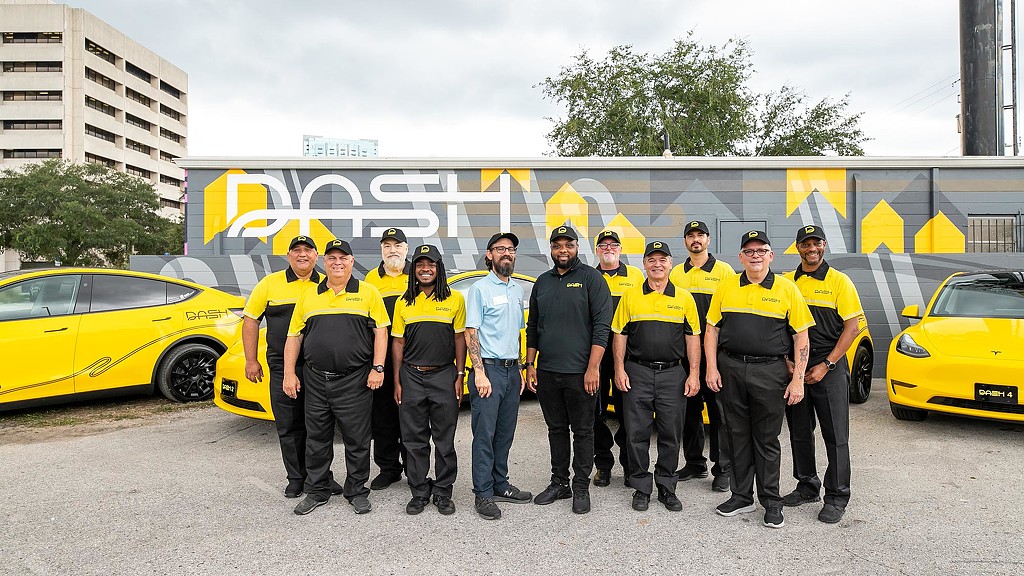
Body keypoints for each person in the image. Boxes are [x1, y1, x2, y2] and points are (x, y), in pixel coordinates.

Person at [705, 230, 814, 529]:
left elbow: (801, 336)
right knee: (736, 435)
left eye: (761, 250)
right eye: (749, 251)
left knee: (766, 439)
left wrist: (798, 380)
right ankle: (741, 496)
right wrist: (711, 368)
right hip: (731, 369)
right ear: (740, 257)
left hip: (770, 372)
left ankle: (771, 501)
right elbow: (712, 329)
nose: (755, 255)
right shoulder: (727, 287)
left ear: (770, 255)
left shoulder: (786, 289)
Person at [283, 239, 390, 516]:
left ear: (352, 262)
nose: (337, 262)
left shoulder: (368, 292)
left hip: (354, 380)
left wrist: (377, 368)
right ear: (324, 262)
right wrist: (289, 373)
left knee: (357, 439)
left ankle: (356, 490)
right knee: (316, 439)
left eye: (343, 257)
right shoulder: (309, 295)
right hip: (316, 380)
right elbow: (294, 335)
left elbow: (381, 331)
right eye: (332, 258)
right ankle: (317, 490)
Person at [242, 236, 345, 499]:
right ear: (288, 256)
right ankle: (296, 478)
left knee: (319, 427)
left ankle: (321, 477)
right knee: (289, 425)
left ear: (316, 256)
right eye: (296, 250)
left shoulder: (326, 284)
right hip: (280, 365)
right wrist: (251, 360)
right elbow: (251, 320)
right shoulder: (269, 284)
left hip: (316, 367)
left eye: (308, 250)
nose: (302, 255)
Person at [525, 225, 612, 515]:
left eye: (569, 244)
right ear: (551, 248)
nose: (563, 250)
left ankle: (581, 486)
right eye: (557, 245)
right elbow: (533, 327)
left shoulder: (592, 278)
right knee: (556, 430)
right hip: (548, 372)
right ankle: (559, 482)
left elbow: (602, 328)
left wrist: (593, 369)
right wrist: (531, 364)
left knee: (583, 431)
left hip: (580, 373)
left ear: (577, 247)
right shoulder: (543, 281)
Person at [612, 241, 701, 512]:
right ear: (645, 264)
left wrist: (694, 373)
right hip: (637, 372)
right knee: (636, 433)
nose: (657, 264)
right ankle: (640, 487)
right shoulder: (630, 296)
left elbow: (693, 338)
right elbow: (619, 334)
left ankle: (666, 486)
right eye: (652, 259)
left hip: (673, 374)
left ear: (670, 264)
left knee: (670, 434)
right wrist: (619, 368)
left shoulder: (684, 298)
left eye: (663, 259)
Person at [782, 225, 863, 524]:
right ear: (798, 247)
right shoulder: (787, 281)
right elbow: (779, 326)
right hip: (795, 368)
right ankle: (806, 486)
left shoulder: (839, 281)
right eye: (805, 243)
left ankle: (837, 496)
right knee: (800, 432)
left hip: (829, 365)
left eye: (816, 243)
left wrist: (827, 364)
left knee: (835, 435)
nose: (811, 248)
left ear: (824, 245)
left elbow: (851, 328)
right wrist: (787, 363)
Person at [391, 244, 467, 516]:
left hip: (444, 375)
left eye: (431, 264)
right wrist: (398, 380)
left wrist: (460, 375)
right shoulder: (404, 302)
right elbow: (398, 342)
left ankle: (443, 491)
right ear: (413, 270)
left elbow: (460, 338)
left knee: (444, 439)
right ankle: (420, 491)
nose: (426, 269)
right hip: (411, 375)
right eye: (420, 264)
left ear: (439, 268)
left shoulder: (454, 299)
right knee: (414, 439)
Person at [464, 232, 533, 520]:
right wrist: (479, 372)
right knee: (485, 434)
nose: (507, 253)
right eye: (500, 249)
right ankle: (483, 492)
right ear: (489, 255)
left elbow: (516, 332)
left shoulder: (516, 290)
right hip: (488, 371)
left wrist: (518, 367)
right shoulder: (480, 289)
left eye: (510, 249)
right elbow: (471, 331)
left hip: (510, 371)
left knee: (505, 433)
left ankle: (500, 484)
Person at [669, 220, 736, 492]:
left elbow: (731, 311)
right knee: (689, 411)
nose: (695, 239)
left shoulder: (724, 272)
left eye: (700, 235)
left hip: (716, 355)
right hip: (684, 355)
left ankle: (723, 469)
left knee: (720, 413)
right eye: (690, 235)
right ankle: (694, 462)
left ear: (708, 239)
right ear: (685, 241)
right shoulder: (675, 273)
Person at [591, 229, 643, 487]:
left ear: (620, 250)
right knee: (596, 414)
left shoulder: (635, 276)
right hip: (597, 357)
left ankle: (630, 465)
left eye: (613, 244)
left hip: (628, 356)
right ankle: (603, 464)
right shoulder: (589, 276)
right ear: (597, 250)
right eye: (603, 245)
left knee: (628, 413)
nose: (608, 248)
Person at [363, 228, 410, 490]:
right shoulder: (371, 279)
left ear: (406, 248)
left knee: (412, 417)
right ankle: (389, 468)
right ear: (381, 250)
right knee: (382, 417)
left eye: (397, 245)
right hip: (381, 359)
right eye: (387, 245)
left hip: (414, 359)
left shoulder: (418, 273)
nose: (392, 250)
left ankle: (415, 468)